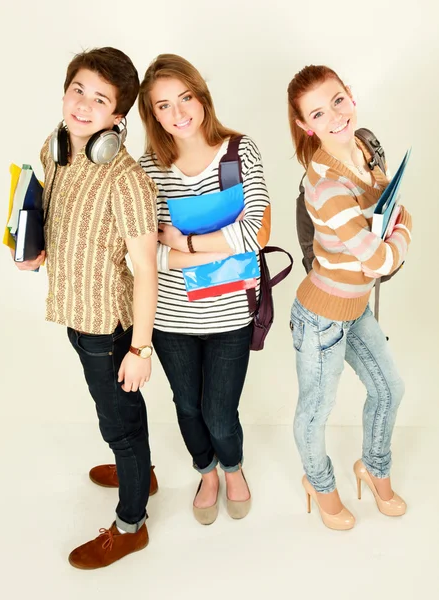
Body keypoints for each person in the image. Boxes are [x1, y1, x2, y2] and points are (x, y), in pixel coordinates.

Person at [12, 47, 159, 568]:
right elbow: (53, 213)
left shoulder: (126, 179)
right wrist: (33, 250)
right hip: (72, 311)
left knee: (117, 419)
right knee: (118, 414)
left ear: (117, 117)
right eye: (79, 90)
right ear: (65, 90)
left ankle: (131, 523)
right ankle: (139, 466)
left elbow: (146, 269)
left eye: (101, 99)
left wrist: (140, 349)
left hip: (108, 328)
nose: (83, 105)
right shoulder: (55, 151)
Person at [136, 53, 270, 524]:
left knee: (219, 411)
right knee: (187, 407)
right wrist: (211, 251)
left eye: (185, 98)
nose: (179, 113)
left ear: (201, 94)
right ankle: (207, 471)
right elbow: (145, 254)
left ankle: (233, 466)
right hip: (171, 319)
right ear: (152, 115)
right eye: (163, 106)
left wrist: (184, 241)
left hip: (230, 315)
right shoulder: (148, 168)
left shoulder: (238, 151)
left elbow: (255, 234)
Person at [287, 65, 412, 530]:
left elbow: (395, 212)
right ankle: (319, 484)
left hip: (354, 307)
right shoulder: (326, 185)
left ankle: (373, 468)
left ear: (350, 95)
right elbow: (380, 258)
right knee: (316, 411)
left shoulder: (360, 147)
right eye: (318, 112)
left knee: (389, 389)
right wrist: (404, 235)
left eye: (338, 100)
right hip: (320, 316)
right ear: (306, 126)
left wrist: (397, 232)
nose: (335, 116)